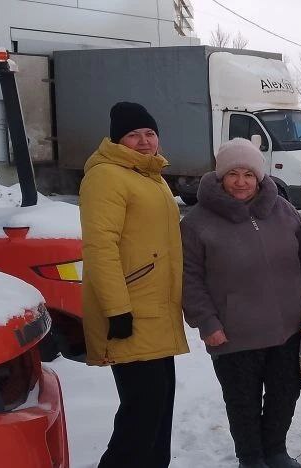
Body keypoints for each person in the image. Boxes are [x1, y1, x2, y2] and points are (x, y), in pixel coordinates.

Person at [181, 138, 301, 468]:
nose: (241, 182)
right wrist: (207, 322)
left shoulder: (282, 209)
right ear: (220, 177)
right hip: (233, 333)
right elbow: (188, 278)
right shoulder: (197, 222)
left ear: (259, 176)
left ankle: (275, 450)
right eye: (233, 174)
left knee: (284, 394)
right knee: (242, 402)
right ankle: (251, 458)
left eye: (248, 174)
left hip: (287, 329)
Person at [79, 102, 189, 468]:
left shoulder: (149, 175)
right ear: (117, 140)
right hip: (131, 312)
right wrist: (117, 310)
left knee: (157, 412)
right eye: (133, 135)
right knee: (140, 418)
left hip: (156, 311)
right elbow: (100, 248)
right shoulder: (106, 177)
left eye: (150, 133)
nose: (144, 141)